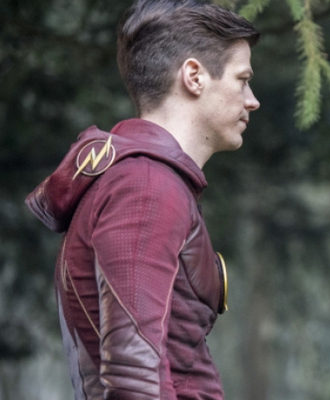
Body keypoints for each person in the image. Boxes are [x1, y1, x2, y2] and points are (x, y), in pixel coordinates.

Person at [25, 0, 260, 398]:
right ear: (194, 76)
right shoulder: (147, 188)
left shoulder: (145, 181)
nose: (252, 99)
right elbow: (134, 377)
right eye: (242, 79)